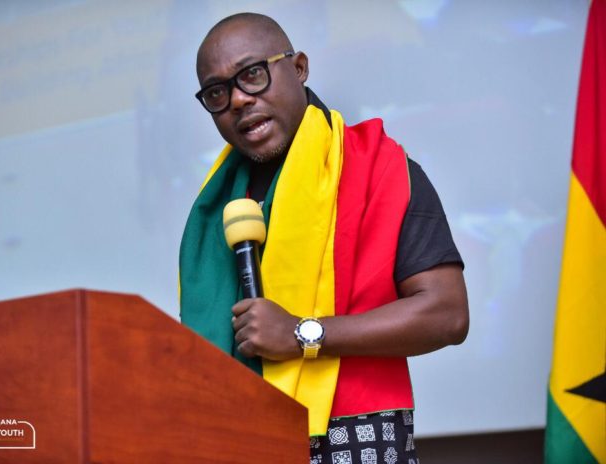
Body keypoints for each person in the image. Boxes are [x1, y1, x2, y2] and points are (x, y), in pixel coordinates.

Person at [179, 12, 469, 464]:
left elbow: (447, 314)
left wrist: (302, 333)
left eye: (252, 74)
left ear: (298, 68)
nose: (237, 99)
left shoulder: (381, 169)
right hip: (236, 439)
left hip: (355, 437)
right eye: (217, 92)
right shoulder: (216, 207)